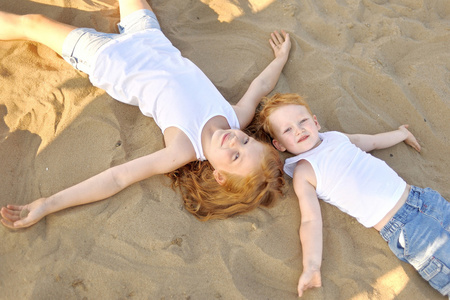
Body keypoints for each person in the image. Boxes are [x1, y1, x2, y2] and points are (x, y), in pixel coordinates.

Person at [0, 0, 291, 228]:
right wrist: (280, 58)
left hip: (105, 56)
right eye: (247, 143)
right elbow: (261, 86)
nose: (235, 142)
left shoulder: (182, 148)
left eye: (236, 157)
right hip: (149, 35)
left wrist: (48, 204)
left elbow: (116, 178)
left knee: (32, 24)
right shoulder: (235, 118)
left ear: (220, 177)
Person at [257, 93, 450, 297]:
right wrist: (311, 266)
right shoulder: (304, 171)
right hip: (405, 227)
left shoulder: (335, 137)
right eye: (288, 129)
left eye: (302, 121)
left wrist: (400, 134)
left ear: (315, 122)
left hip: (425, 199)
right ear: (279, 145)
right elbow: (310, 220)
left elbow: (372, 142)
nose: (299, 129)